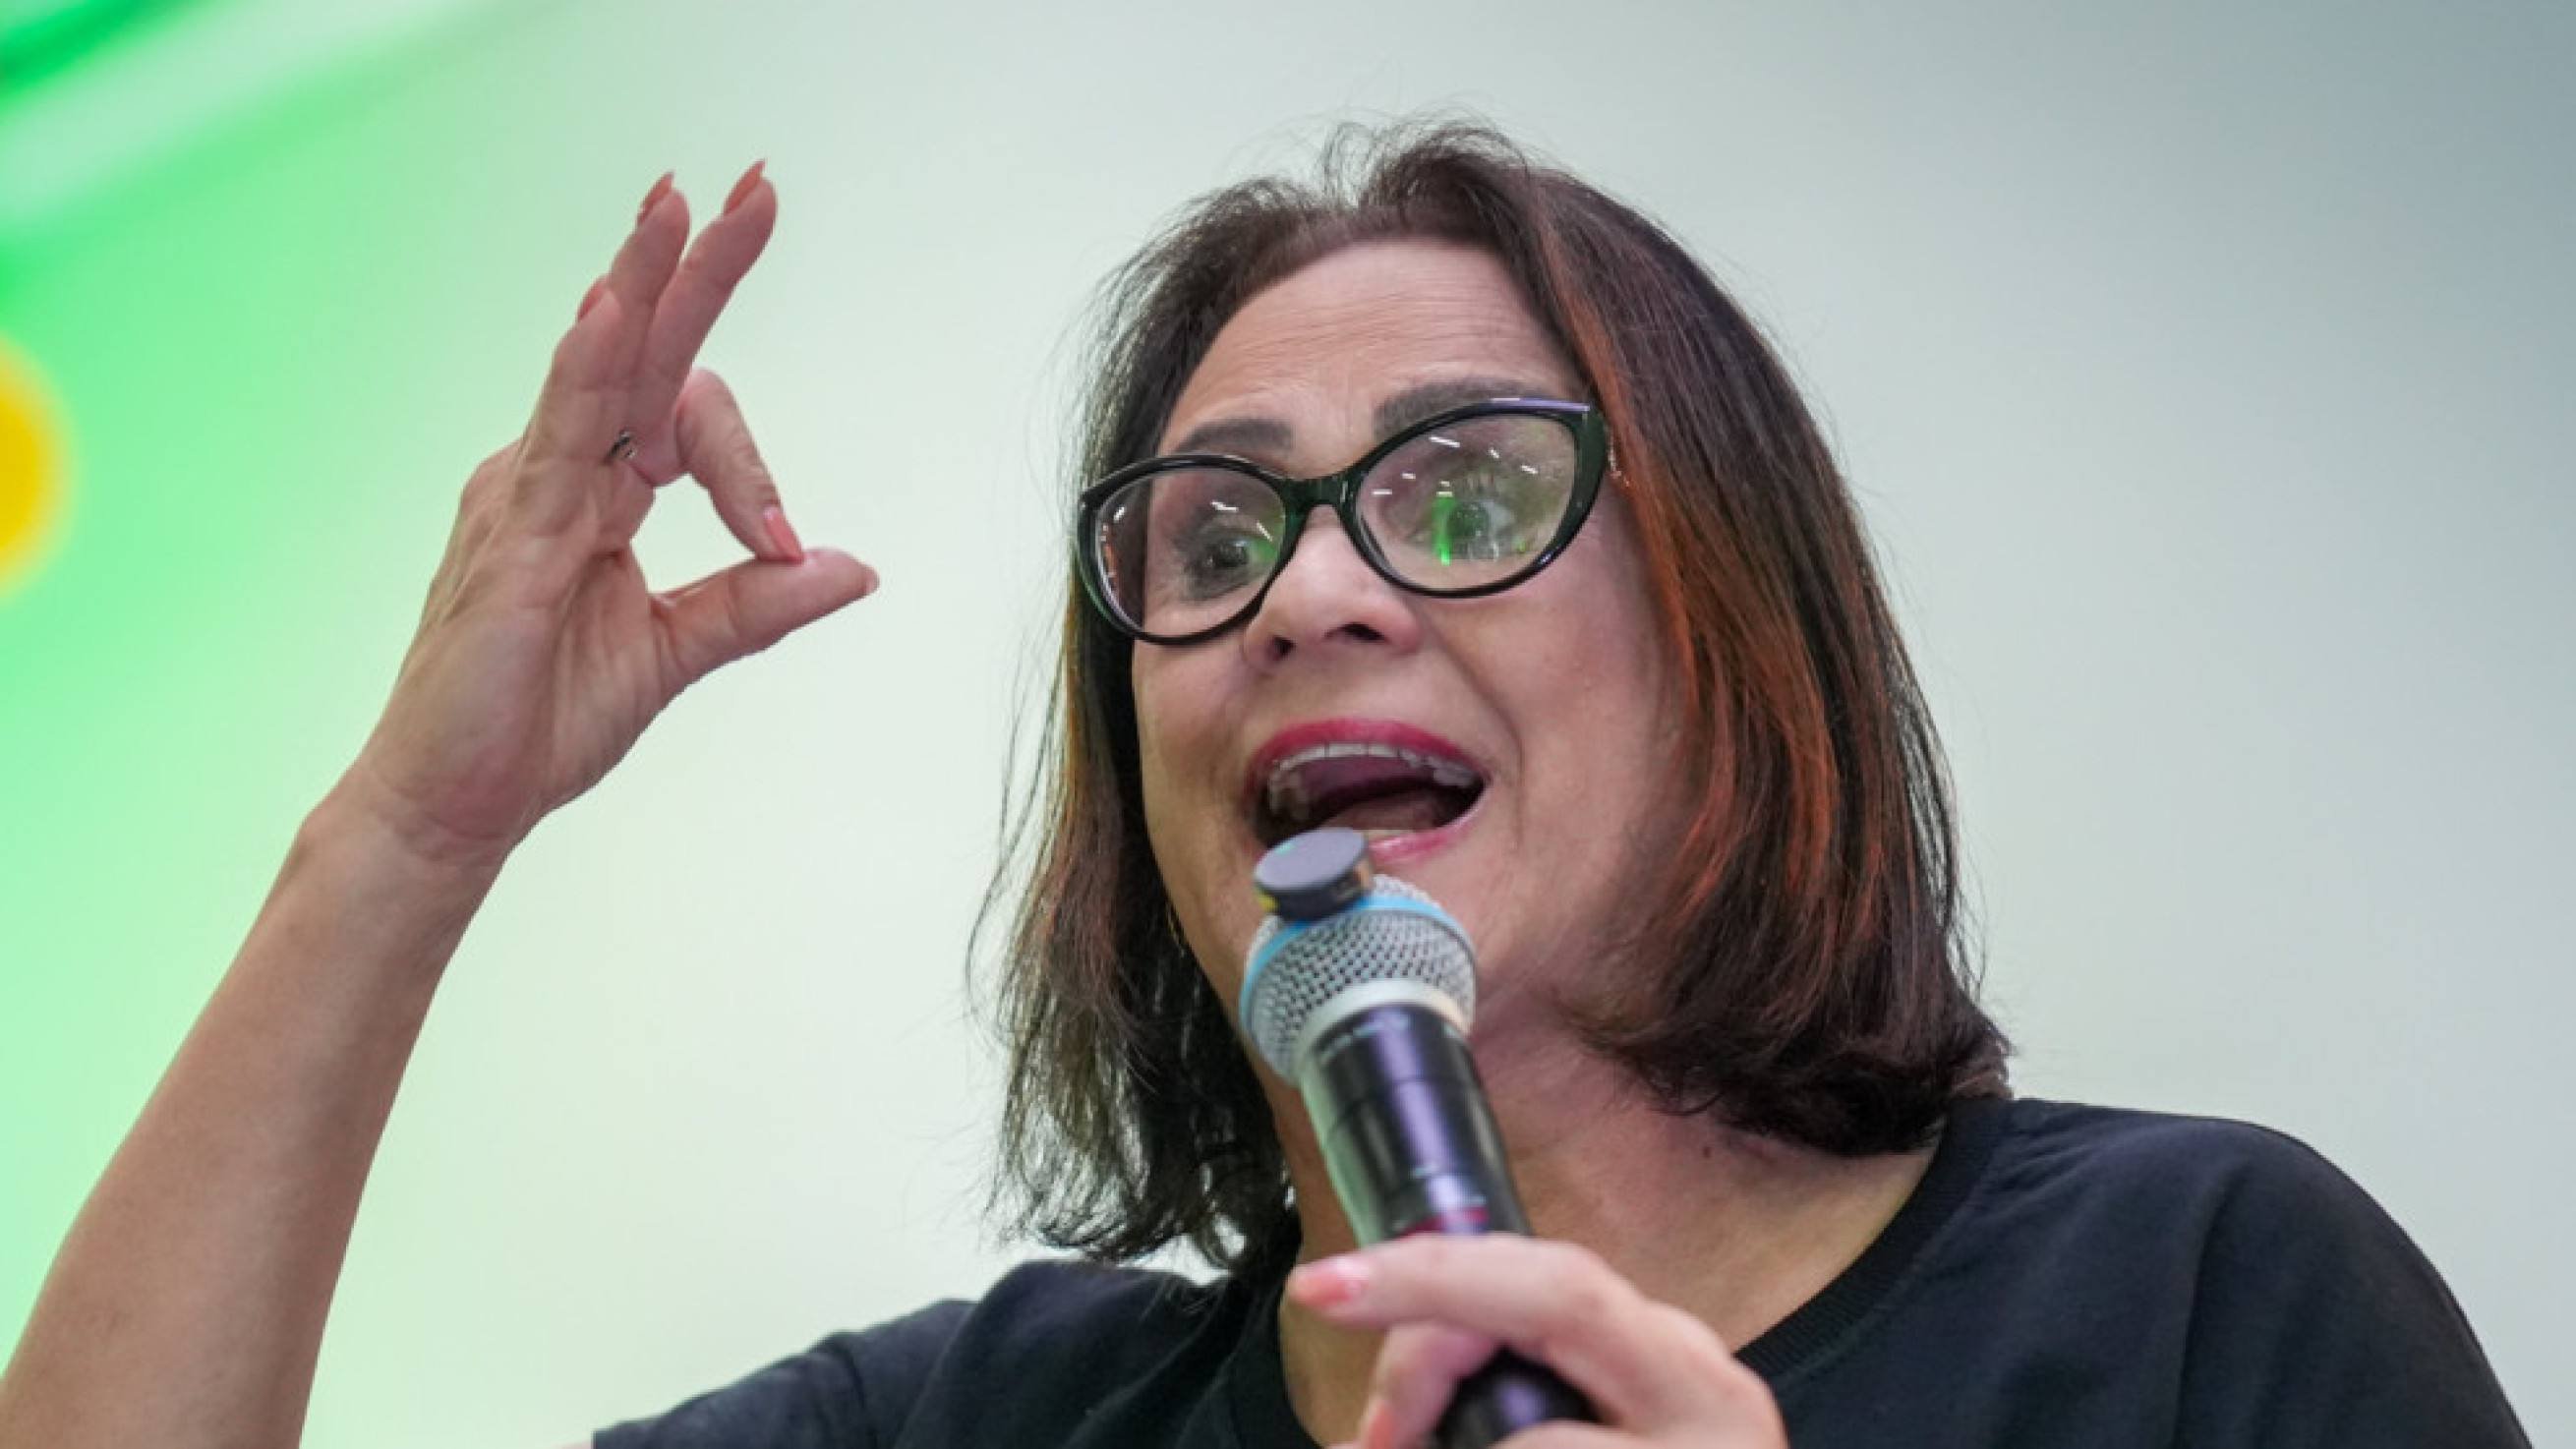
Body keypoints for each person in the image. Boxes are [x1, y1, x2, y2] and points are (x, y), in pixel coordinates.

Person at [0, 123, 2530, 1449]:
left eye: (1463, 490)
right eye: (1207, 539)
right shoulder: (976, 1426)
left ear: (1730, 624)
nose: (1308, 591)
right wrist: (399, 841)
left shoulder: (2191, 1295)